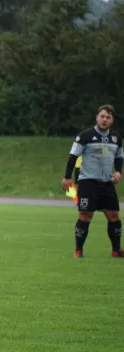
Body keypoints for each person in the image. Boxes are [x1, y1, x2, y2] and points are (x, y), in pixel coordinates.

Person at [61, 104, 124, 258]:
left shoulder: (116, 138)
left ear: (112, 120)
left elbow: (119, 157)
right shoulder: (85, 136)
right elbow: (73, 157)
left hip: (107, 183)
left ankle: (116, 250)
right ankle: (78, 250)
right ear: (97, 117)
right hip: (88, 182)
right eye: (102, 116)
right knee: (86, 215)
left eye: (108, 117)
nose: (104, 119)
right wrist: (67, 177)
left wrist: (118, 172)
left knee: (114, 216)